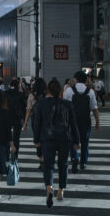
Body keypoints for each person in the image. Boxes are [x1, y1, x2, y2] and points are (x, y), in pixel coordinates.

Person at [33, 79, 80, 207]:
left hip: (47, 138)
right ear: (60, 91)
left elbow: (37, 124)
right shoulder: (68, 104)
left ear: (48, 90)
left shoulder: (42, 104)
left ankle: (49, 187)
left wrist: (36, 140)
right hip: (65, 138)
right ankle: (61, 190)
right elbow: (73, 124)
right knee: (63, 164)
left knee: (48, 165)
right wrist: (77, 141)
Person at [63, 71, 100, 172]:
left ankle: (75, 158)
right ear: (85, 80)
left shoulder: (69, 91)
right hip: (85, 120)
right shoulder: (90, 92)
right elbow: (94, 108)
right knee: (85, 142)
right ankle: (83, 162)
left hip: (72, 121)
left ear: (75, 79)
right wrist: (97, 121)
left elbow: (64, 107)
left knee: (72, 140)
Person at [23, 77, 47, 169]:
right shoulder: (47, 94)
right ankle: (46, 157)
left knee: (37, 139)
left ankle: (41, 159)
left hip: (35, 119)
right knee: (46, 138)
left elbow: (28, 110)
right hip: (47, 119)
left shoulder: (31, 95)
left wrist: (25, 123)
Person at [5, 79, 26, 157]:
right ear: (18, 85)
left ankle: (6, 154)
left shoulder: (5, 93)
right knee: (16, 138)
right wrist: (24, 119)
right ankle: (15, 155)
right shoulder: (20, 94)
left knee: (6, 136)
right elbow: (23, 107)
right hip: (17, 117)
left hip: (6, 117)